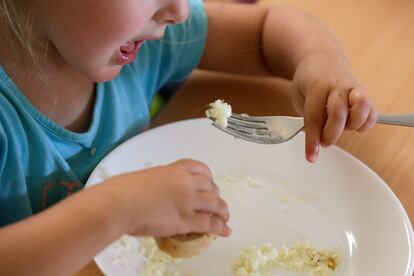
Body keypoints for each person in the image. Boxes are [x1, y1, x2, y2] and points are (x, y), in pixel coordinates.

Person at [0, 0, 376, 274]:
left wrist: (320, 62)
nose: (178, 11)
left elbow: (265, 27)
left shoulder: (142, 37)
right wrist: (117, 208)